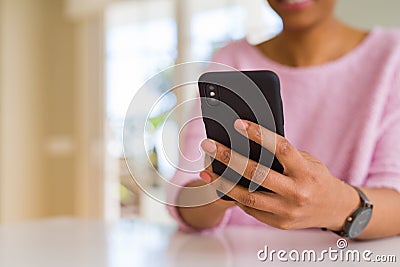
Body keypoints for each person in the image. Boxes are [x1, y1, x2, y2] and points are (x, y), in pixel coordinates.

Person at [167, 0, 400, 240]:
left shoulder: (392, 55)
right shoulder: (230, 58)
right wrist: (223, 189)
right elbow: (183, 197)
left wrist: (337, 206)